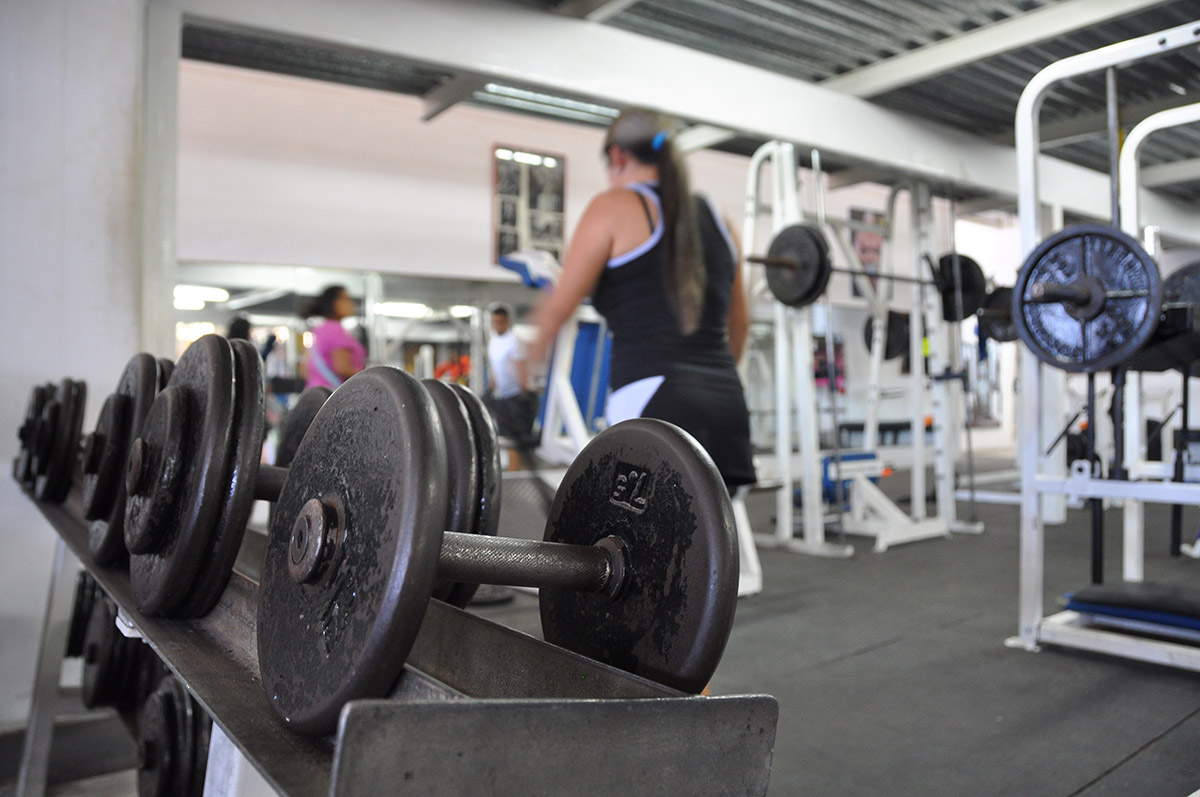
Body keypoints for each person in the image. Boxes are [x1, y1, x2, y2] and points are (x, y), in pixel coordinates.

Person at [530, 107, 755, 490]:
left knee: (630, 541)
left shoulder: (613, 206)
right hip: (728, 409)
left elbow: (559, 305)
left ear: (617, 156)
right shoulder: (719, 217)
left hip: (653, 406)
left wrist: (525, 364)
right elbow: (741, 323)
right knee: (710, 545)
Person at [486, 304, 537, 440]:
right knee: (504, 435)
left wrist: (525, 391)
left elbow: (521, 367)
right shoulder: (493, 342)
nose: (498, 325)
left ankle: (520, 461)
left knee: (519, 438)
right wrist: (491, 387)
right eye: (495, 322)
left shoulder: (514, 341)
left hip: (517, 395)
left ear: (507, 322)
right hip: (503, 396)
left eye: (501, 322)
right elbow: (495, 368)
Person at [302, 285, 365, 389]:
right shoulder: (335, 329)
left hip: (315, 393)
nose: (352, 304)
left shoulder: (319, 330)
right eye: (347, 299)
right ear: (335, 303)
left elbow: (305, 370)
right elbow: (342, 368)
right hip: (332, 396)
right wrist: (370, 375)